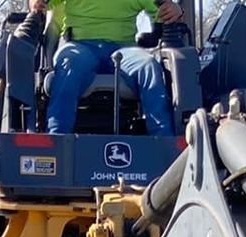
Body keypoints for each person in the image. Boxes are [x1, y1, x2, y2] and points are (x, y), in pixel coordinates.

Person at [27, 0, 184, 137]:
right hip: (80, 46)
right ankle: (57, 139)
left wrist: (175, 10)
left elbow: (163, 9)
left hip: (124, 49)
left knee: (148, 66)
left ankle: (165, 144)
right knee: (69, 65)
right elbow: (41, 4)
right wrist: (35, 3)